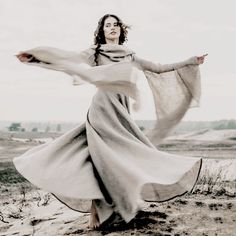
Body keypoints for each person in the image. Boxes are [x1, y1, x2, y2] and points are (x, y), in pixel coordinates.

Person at [14, 14, 207, 229]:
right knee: (101, 159)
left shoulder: (130, 55)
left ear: (121, 30)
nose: (112, 28)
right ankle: (98, 211)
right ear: (102, 30)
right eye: (108, 25)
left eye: (115, 25)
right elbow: (68, 58)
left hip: (121, 112)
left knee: (123, 155)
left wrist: (191, 61)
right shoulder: (95, 52)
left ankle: (116, 204)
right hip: (101, 109)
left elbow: (158, 67)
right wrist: (37, 57)